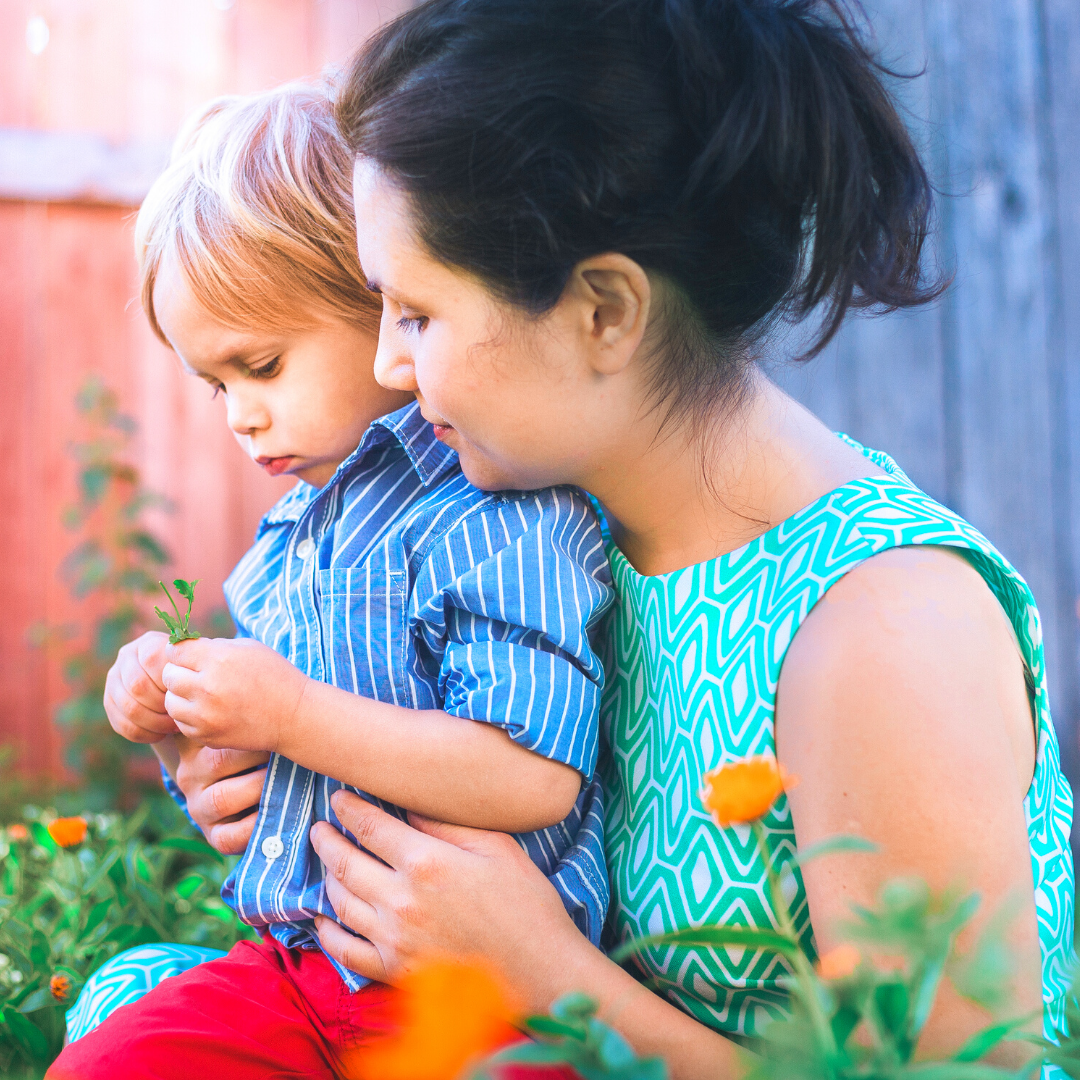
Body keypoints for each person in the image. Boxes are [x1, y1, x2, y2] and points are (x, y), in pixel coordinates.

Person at [292, 0, 1069, 1076]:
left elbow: (955, 1076)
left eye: (418, 314)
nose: (385, 365)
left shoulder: (883, 630)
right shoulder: (546, 540)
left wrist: (543, 971)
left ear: (605, 311)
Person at [50, 81, 613, 1079]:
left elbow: (534, 774)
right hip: (298, 972)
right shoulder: (287, 543)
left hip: (481, 996)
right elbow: (271, 794)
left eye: (260, 365)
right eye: (213, 383)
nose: (238, 416)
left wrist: (293, 713)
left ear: (382, 301)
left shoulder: (493, 507)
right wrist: (187, 737)